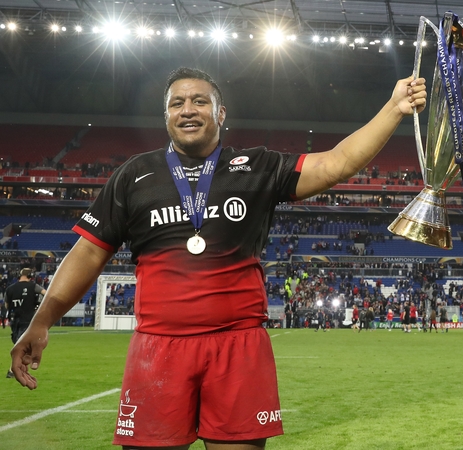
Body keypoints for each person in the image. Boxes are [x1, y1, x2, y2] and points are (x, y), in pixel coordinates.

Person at [10, 67, 426, 449]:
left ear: (220, 113)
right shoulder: (134, 175)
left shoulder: (257, 166)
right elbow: (87, 253)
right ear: (166, 115)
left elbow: (337, 163)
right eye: (177, 103)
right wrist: (42, 321)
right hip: (159, 348)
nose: (187, 110)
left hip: (238, 347)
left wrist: (393, 109)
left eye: (199, 101)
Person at [5, 268, 46, 378]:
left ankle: (14, 369)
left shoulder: (10, 289)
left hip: (14, 320)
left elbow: (6, 306)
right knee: (23, 346)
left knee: (18, 343)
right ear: (30, 276)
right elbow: (45, 294)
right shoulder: (33, 286)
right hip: (27, 319)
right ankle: (13, 370)